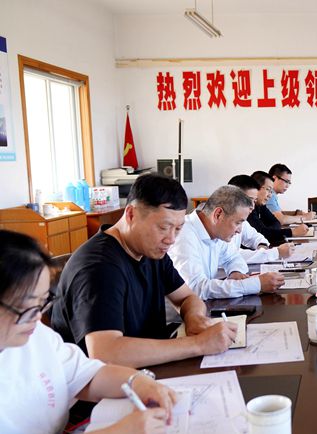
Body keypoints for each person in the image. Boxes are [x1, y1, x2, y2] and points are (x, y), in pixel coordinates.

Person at [0, 230, 178, 433]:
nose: (38, 317)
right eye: (26, 307)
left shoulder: (37, 335)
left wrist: (138, 382)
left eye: (43, 302)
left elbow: (88, 376)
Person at [51, 174, 238, 368]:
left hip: (150, 366)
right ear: (131, 214)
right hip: (108, 381)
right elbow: (105, 353)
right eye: (164, 227)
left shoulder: (151, 251)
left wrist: (194, 318)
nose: (171, 239)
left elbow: (187, 298)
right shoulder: (99, 267)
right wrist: (198, 344)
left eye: (178, 229)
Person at [169, 185, 286, 300]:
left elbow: (233, 257)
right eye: (238, 223)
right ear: (218, 215)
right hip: (179, 312)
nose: (239, 230)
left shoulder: (216, 231)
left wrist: (235, 272)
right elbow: (196, 288)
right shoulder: (184, 235)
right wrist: (256, 284)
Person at [250, 171, 310, 244]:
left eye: (271, 191)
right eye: (268, 189)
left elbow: (276, 223)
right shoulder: (249, 208)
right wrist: (292, 232)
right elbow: (263, 233)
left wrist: (268, 231)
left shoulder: (261, 205)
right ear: (256, 188)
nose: (270, 195)